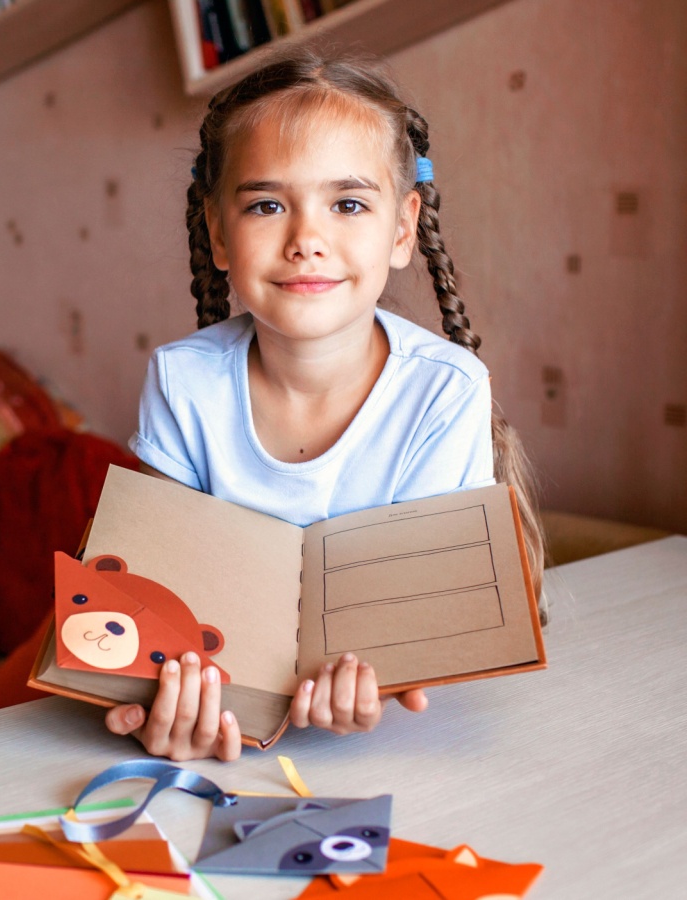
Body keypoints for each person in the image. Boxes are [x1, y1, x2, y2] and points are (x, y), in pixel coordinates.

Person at [105, 48, 543, 762]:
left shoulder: (446, 389)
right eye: (267, 204)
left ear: (402, 229)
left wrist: (370, 675)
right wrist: (159, 697)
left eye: (347, 203)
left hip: (403, 753)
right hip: (233, 748)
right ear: (218, 232)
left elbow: (420, 636)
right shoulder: (182, 381)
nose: (307, 240)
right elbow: (158, 603)